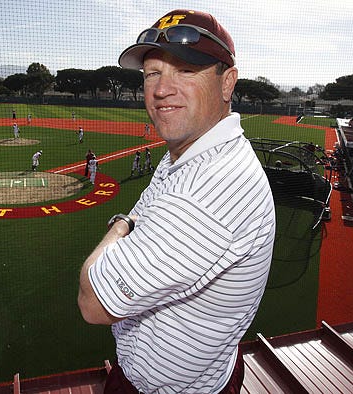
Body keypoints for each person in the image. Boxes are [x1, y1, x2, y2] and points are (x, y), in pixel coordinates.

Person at [78, 9, 275, 394]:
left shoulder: (212, 189)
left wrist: (121, 226)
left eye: (186, 70)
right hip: (193, 372)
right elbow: (144, 212)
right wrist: (134, 225)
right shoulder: (185, 156)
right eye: (153, 73)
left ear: (227, 83)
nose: (162, 89)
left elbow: (92, 302)